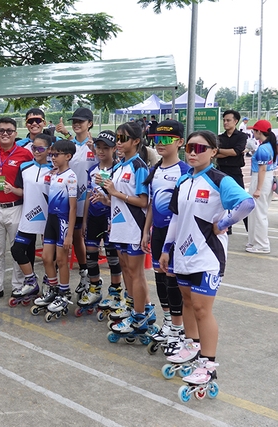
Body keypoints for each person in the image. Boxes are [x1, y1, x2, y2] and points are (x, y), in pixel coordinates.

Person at [160, 130, 254, 387]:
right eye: (190, 147)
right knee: (187, 302)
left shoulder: (219, 179)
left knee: (202, 309)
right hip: (182, 253)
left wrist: (224, 222)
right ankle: (192, 346)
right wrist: (167, 248)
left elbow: (246, 204)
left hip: (208, 256)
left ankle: (209, 365)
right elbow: (176, 218)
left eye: (201, 148)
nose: (193, 152)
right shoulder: (182, 181)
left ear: (213, 152)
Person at [92, 121, 155, 337]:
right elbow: (117, 200)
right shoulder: (119, 166)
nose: (118, 143)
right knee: (126, 270)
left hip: (134, 227)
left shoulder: (139, 166)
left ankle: (140, 314)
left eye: (123, 139)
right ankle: (135, 308)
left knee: (136, 274)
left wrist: (115, 192)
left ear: (136, 141)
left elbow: (143, 202)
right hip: (119, 226)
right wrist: (106, 199)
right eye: (117, 138)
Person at [141, 120, 190, 356]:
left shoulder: (184, 171)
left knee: (173, 279)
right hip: (158, 232)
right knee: (160, 277)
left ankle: (178, 329)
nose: (160, 144)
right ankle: (169, 321)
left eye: (166, 139)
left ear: (180, 142)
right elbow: (151, 205)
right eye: (157, 139)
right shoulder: (155, 170)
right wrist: (146, 231)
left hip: (177, 235)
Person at [0, 117, 33, 302]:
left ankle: (18, 287)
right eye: (1, 130)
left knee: (16, 250)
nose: (5, 134)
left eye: (9, 131)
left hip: (16, 208)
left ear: (15, 134)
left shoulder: (25, 154)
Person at [78, 131, 123, 313]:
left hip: (112, 218)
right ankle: (94, 288)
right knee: (91, 254)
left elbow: (121, 199)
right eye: (98, 147)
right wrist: (85, 220)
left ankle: (115, 292)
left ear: (114, 149)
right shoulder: (93, 170)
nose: (101, 151)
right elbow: (89, 195)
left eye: (106, 148)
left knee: (113, 257)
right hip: (94, 218)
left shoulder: (120, 169)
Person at [32, 140, 78, 318]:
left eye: (56, 155)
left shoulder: (71, 177)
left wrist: (69, 236)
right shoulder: (53, 174)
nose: (52, 158)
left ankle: (65, 293)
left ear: (68, 156)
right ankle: (53, 289)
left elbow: (73, 208)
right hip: (50, 220)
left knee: (61, 260)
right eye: (51, 154)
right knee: (45, 257)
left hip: (63, 221)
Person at [6, 133, 53, 305]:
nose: (36, 151)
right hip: (28, 217)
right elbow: (24, 191)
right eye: (34, 148)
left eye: (40, 148)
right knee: (17, 250)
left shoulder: (54, 169)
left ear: (49, 150)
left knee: (49, 257)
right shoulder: (24, 167)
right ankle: (31, 281)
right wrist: (12, 189)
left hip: (48, 219)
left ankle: (50, 284)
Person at [65, 107, 96, 298]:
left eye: (81, 121)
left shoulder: (96, 145)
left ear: (89, 124)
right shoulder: (67, 145)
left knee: (87, 239)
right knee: (75, 236)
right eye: (74, 121)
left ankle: (90, 277)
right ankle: (83, 273)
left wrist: (96, 149)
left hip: (91, 200)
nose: (77, 124)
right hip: (69, 198)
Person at [246, 120, 277, 253]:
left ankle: (262, 244)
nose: (253, 132)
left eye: (254, 130)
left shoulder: (264, 148)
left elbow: (262, 169)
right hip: (265, 178)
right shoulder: (270, 146)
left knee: (259, 213)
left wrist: (258, 188)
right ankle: (255, 242)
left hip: (260, 179)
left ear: (259, 132)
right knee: (257, 212)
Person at [216, 110, 249, 233]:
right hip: (221, 171)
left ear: (235, 121)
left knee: (242, 200)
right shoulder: (219, 137)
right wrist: (228, 152)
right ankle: (226, 227)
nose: (225, 122)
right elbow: (215, 153)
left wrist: (221, 151)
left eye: (228, 120)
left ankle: (250, 230)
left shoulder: (241, 136)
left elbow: (236, 151)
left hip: (235, 171)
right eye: (224, 120)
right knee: (222, 201)